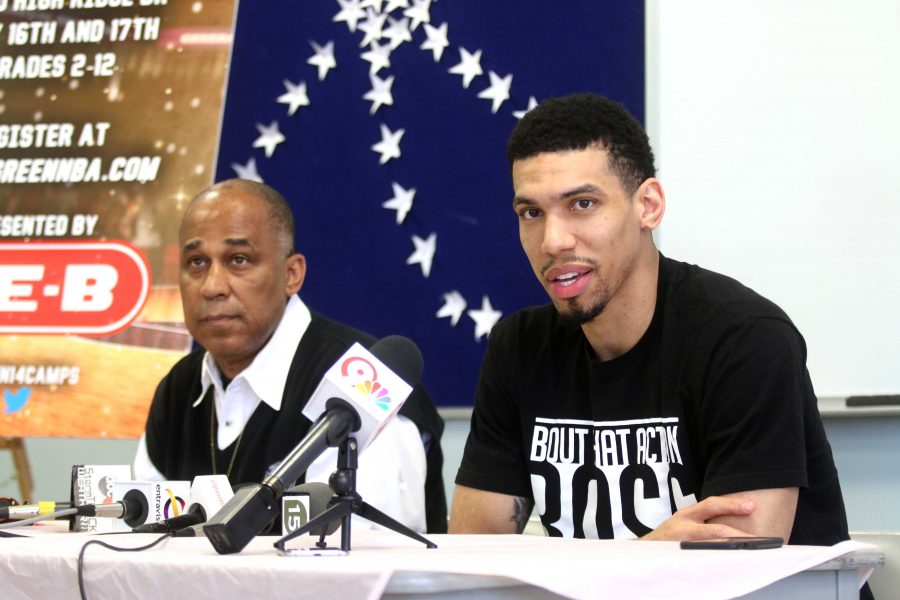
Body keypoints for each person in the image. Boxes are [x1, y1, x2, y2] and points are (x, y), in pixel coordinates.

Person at [449, 93, 854, 547]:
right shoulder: (519, 347)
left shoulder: (744, 338)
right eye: (531, 213)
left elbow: (741, 566)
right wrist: (647, 554)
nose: (553, 241)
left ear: (648, 206)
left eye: (582, 204)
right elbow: (472, 556)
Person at [134, 178, 447, 534]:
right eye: (196, 262)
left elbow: (366, 564)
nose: (212, 286)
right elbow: (148, 541)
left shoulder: (361, 385)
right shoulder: (178, 388)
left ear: (291, 274)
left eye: (238, 260)